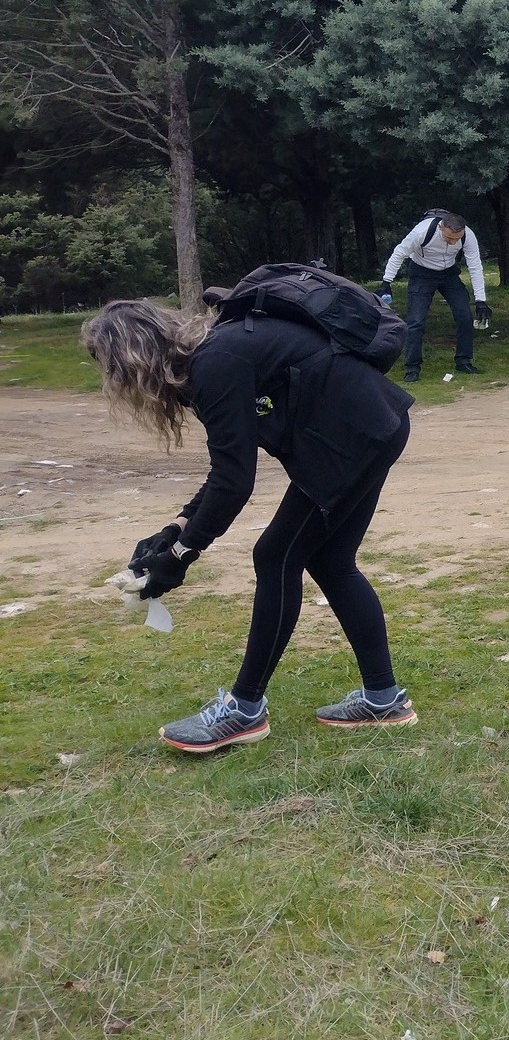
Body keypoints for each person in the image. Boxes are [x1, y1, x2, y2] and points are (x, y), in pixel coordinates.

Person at [82, 298, 418, 753]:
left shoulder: (216, 364)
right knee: (331, 561)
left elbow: (234, 482)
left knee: (276, 557)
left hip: (354, 438)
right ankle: (383, 698)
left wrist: (180, 557)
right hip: (372, 426)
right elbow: (228, 467)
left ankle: (243, 709)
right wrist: (175, 528)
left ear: (132, 356)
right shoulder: (215, 357)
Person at [380, 208, 491, 383]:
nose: (453, 243)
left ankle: (463, 361)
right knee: (416, 321)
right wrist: (386, 282)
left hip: (449, 274)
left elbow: (475, 265)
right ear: (441, 228)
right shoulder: (422, 231)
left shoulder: (467, 235)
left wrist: (480, 300)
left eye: (457, 239)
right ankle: (412, 368)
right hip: (421, 273)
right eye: (448, 238)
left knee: (464, 315)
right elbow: (399, 253)